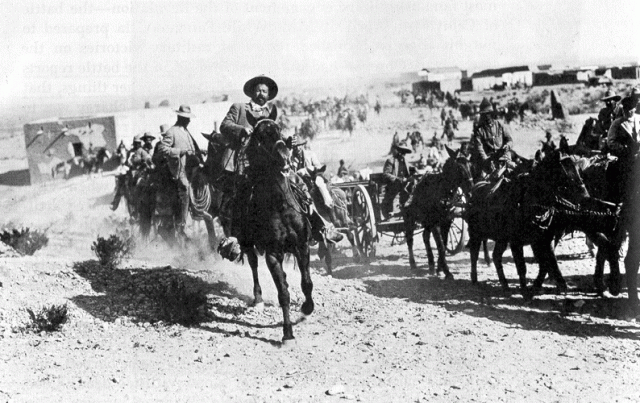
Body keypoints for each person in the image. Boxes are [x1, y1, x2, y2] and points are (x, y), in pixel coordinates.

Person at [218, 76, 342, 253]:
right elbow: (224, 125)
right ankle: (235, 240)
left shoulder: (270, 113)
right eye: (258, 90)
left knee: (299, 185)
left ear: (269, 95)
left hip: (270, 165)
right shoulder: (239, 108)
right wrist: (241, 130)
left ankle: (320, 226)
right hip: (245, 162)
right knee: (241, 195)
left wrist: (288, 141)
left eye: (265, 91)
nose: (261, 94)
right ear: (252, 92)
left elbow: (276, 137)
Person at [156, 105, 202, 242]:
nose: (188, 121)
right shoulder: (172, 132)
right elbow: (162, 148)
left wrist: (199, 152)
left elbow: (191, 149)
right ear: (180, 117)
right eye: (186, 118)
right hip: (179, 170)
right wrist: (179, 151)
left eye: (188, 118)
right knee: (185, 188)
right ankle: (182, 225)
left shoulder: (186, 132)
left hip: (191, 168)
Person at [470, 97, 513, 179]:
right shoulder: (479, 130)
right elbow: (479, 148)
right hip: (489, 161)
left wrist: (507, 146)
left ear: (492, 114)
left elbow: (510, 140)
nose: (487, 117)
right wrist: (486, 161)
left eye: (488, 114)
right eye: (484, 114)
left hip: (504, 158)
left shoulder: (500, 125)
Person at [382, 141, 412, 219]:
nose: (403, 154)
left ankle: (408, 212)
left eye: (405, 152)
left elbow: (408, 173)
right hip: (393, 186)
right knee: (393, 194)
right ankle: (391, 213)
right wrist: (397, 179)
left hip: (404, 186)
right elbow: (386, 174)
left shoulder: (406, 162)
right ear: (398, 151)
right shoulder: (390, 160)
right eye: (402, 151)